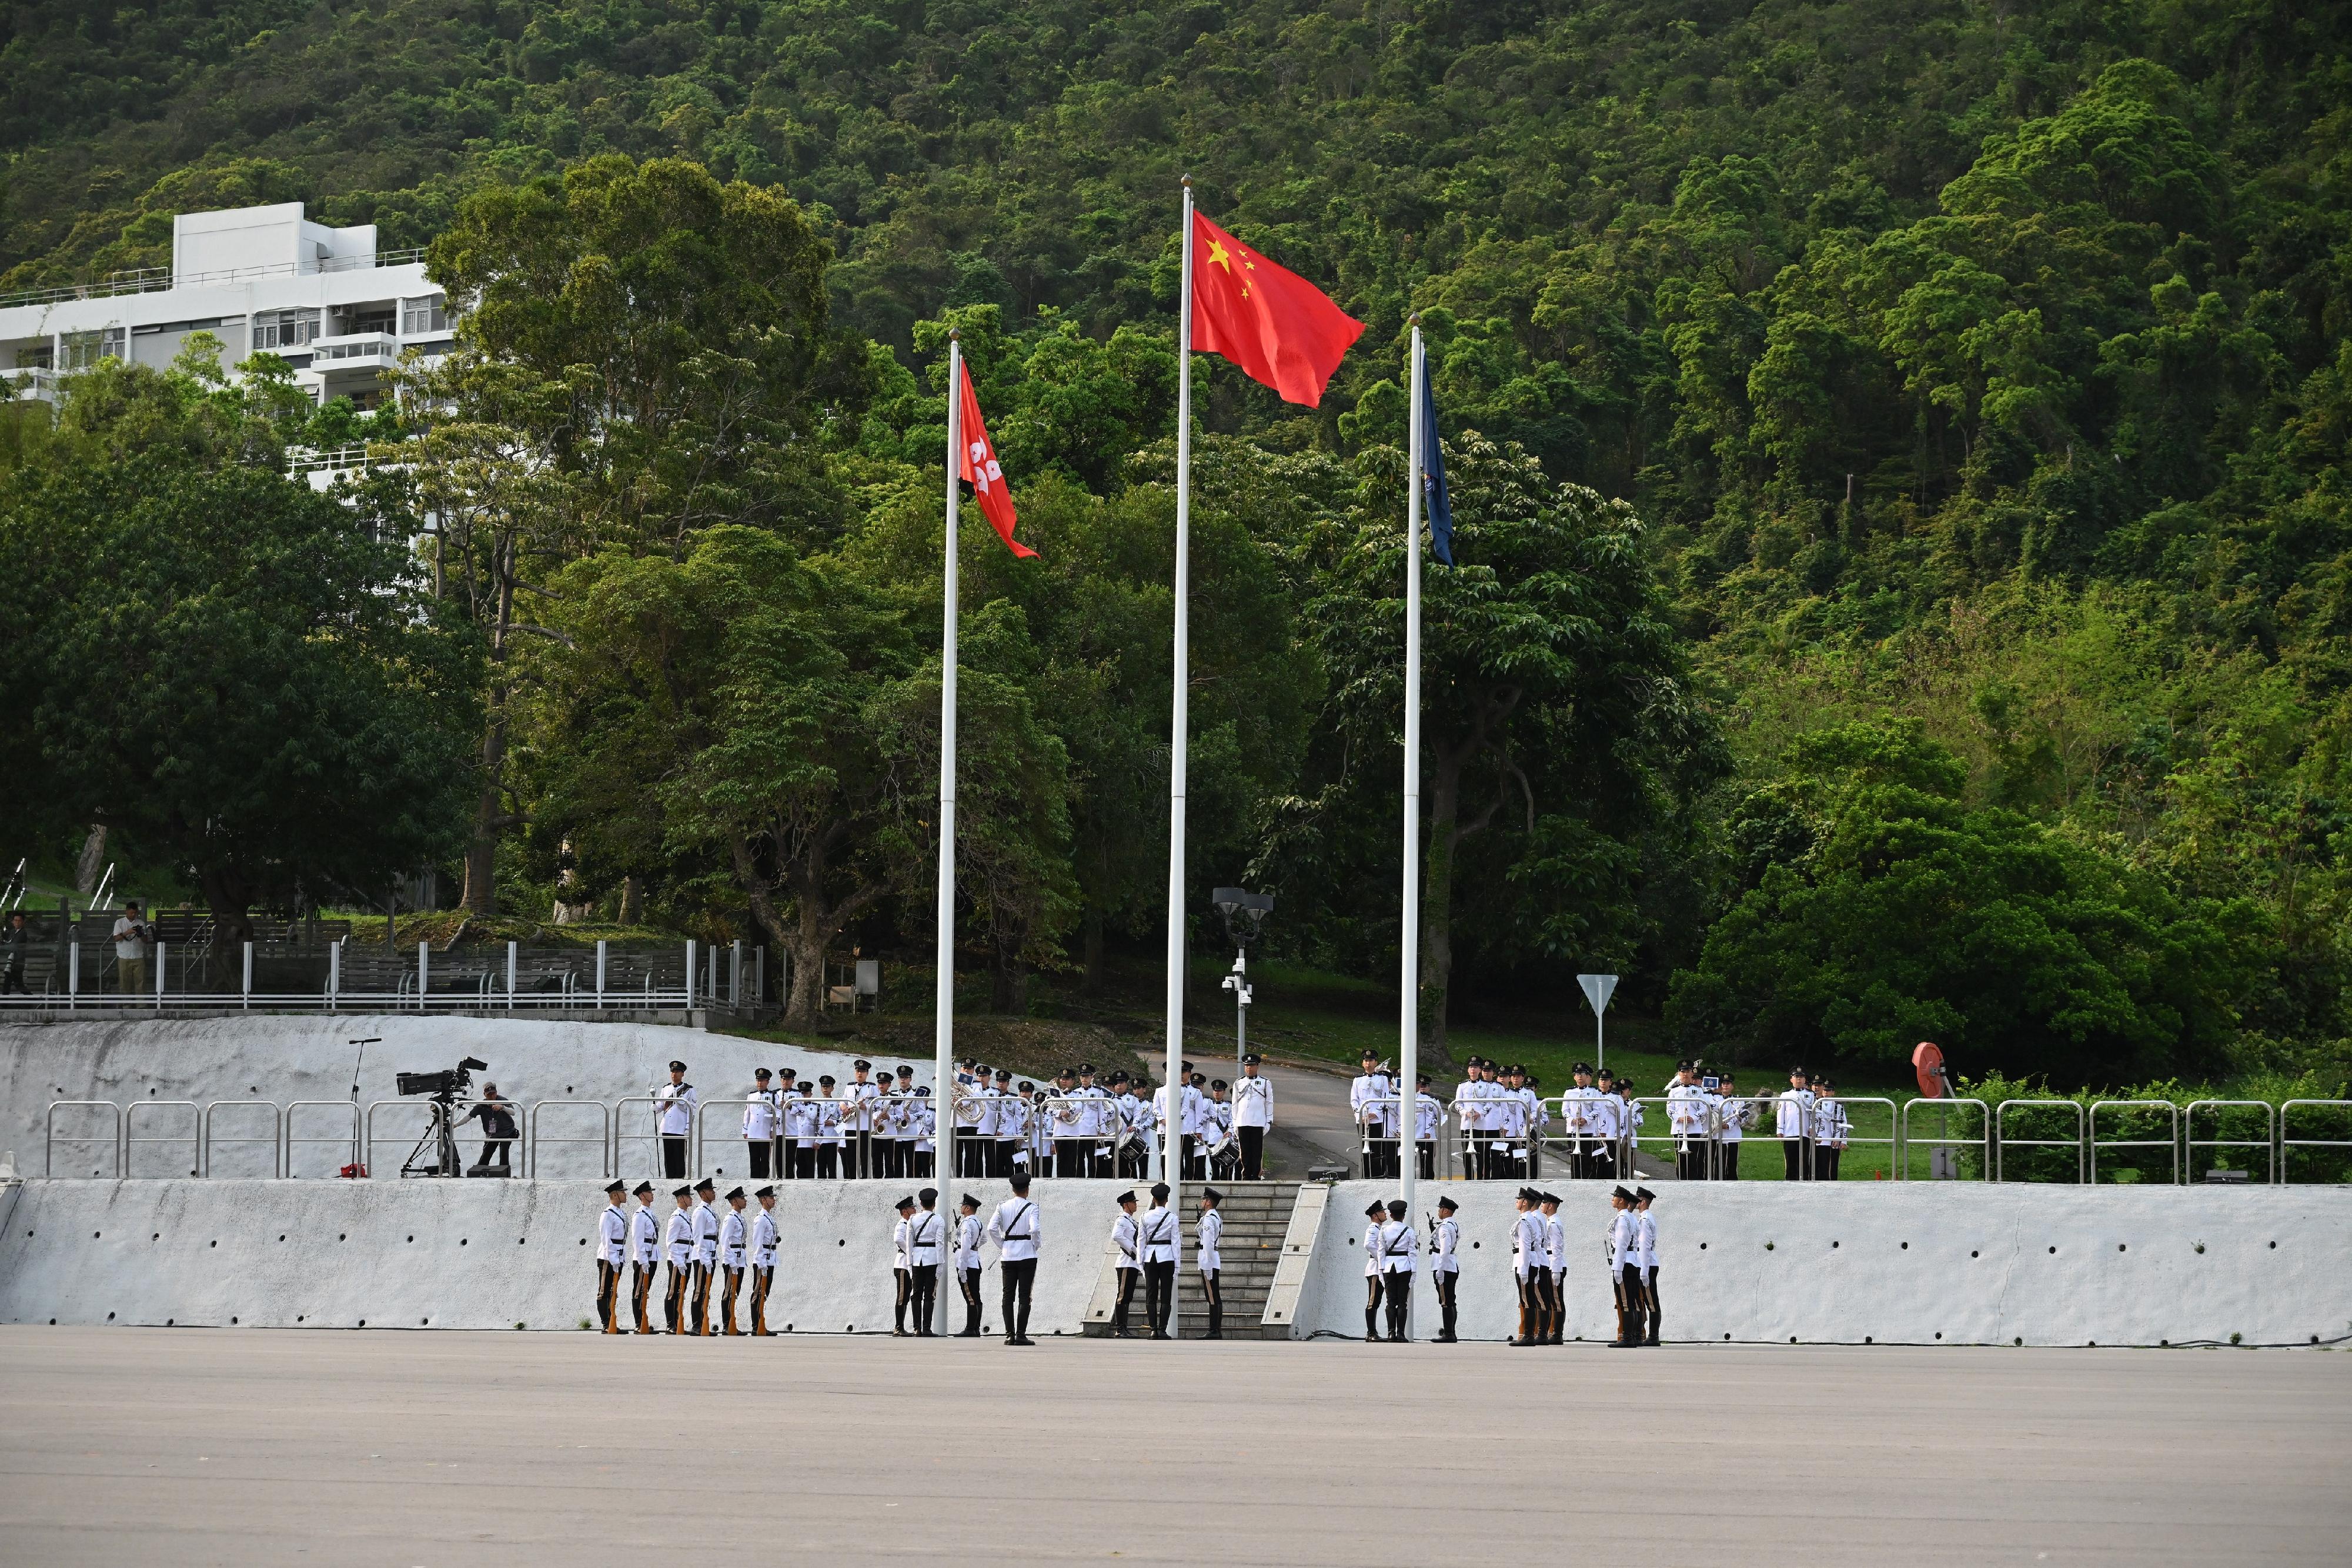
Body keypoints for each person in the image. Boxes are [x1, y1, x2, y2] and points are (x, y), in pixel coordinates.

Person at [985, 1174, 1041, 1345]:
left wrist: (1002, 1245)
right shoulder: (1032, 1207)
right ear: (1027, 1190)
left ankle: (1009, 1335)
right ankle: (1021, 1335)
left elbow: (991, 1228)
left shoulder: (1002, 1207)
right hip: (1027, 1255)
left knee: (1007, 1295)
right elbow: (1035, 1229)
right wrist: (1036, 1245)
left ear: (1013, 1189)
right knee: (1025, 1295)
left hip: (1008, 1256)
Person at [1138, 1181, 1180, 1339]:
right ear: (1167, 1199)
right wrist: (1178, 1265)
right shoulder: (1172, 1218)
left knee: (1151, 1293)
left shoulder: (1145, 1216)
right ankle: (1162, 1330)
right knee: (1166, 1293)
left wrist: (1140, 1262)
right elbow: (1176, 1242)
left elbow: (1141, 1241)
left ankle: (1153, 1329)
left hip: (1150, 1257)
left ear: (1154, 1199)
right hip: (1167, 1257)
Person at [1377, 1197, 1418, 1342]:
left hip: (1388, 1267)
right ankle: (1400, 1334)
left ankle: (1390, 1333)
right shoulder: (1409, 1231)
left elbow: (1381, 1251)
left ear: (1391, 1215)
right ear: (1404, 1215)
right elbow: (1412, 1252)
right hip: (1404, 1267)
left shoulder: (1384, 1231)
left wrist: (1381, 1270)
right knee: (1402, 1302)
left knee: (1390, 1301)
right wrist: (1414, 1271)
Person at [1608, 1186, 1643, 1348]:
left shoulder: (1622, 1219)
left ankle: (1627, 1338)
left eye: (1614, 1197)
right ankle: (1634, 1336)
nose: (1612, 1199)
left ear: (1621, 1200)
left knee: (1626, 1302)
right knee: (1632, 1301)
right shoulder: (1631, 1218)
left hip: (1625, 1262)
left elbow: (1621, 1245)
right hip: (1633, 1261)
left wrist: (1617, 1268)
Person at [1510, 1187, 1545, 1346]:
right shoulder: (1533, 1220)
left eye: (1518, 1199)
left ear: (1525, 1203)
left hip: (1524, 1262)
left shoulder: (1525, 1221)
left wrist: (1523, 1270)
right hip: (1532, 1261)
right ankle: (1529, 1335)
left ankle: (1528, 1336)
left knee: (1526, 1301)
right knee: (1529, 1299)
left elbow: (1524, 1246)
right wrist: (1536, 1266)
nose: (1516, 1202)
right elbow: (1537, 1245)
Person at [461, 1082, 519, 1175]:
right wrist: (455, 1125)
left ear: (496, 1093)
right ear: (485, 1095)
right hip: (492, 1134)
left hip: (508, 1132)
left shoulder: (502, 1100)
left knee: (504, 1151)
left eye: (493, 1094)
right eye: (489, 1095)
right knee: (487, 1152)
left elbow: (513, 1112)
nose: (492, 1097)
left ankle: (504, 1175)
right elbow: (469, 1117)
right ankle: (479, 1173)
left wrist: (503, 1107)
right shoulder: (481, 1105)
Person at [1666, 1061, 1711, 1182]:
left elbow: (1704, 1108)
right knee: (1680, 1159)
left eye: (1688, 1072)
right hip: (1679, 1128)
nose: (1685, 1074)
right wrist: (1678, 1118)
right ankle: (1681, 1180)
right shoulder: (1674, 1091)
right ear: (1679, 1074)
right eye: (1683, 1072)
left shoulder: (1698, 1090)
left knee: (1694, 1158)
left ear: (1692, 1073)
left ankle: (1693, 1181)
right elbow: (1669, 1109)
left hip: (1694, 1128)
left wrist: (1695, 1118)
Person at [1349, 1051, 1391, 1178]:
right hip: (1362, 1119)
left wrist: (1375, 1113)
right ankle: (1365, 1175)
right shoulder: (1358, 1080)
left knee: (1376, 1148)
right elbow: (1354, 1100)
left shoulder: (1383, 1079)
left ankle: (1377, 1174)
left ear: (1376, 1063)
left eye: (1371, 1061)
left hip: (1376, 1119)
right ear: (1363, 1064)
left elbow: (1386, 1098)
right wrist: (1360, 1114)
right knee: (1364, 1148)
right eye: (1366, 1061)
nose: (1368, 1063)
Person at [1230, 1055, 1272, 1179]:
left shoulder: (1265, 1083)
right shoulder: (1239, 1083)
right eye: (1247, 1066)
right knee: (1245, 1151)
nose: (1249, 1068)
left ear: (1257, 1066)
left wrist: (1269, 1120)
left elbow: (1269, 1102)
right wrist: (1235, 1122)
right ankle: (1246, 1174)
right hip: (1243, 1121)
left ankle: (1257, 1174)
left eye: (1252, 1065)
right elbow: (1235, 1104)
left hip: (1258, 1121)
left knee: (1257, 1150)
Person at [596, 1179, 629, 1334]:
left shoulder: (620, 1213)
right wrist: (614, 1259)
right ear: (615, 1195)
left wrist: (620, 1258)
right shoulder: (608, 1214)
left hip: (617, 1257)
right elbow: (606, 1239)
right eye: (622, 1192)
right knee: (604, 1290)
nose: (625, 1194)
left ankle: (612, 1322)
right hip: (608, 1257)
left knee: (612, 1290)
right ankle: (606, 1323)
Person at [662, 1185, 696, 1334]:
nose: (691, 1199)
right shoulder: (676, 1218)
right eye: (688, 1197)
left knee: (681, 1292)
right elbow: (670, 1242)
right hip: (678, 1261)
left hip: (686, 1260)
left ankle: (678, 1322)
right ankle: (671, 1324)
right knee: (673, 1292)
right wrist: (678, 1261)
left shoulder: (686, 1217)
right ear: (681, 1199)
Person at [629, 1181, 661, 1334]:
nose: (652, 1194)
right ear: (642, 1196)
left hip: (652, 1255)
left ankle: (644, 1322)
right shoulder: (639, 1216)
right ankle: (639, 1323)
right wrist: (643, 1260)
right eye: (649, 1192)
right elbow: (637, 1239)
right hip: (644, 1258)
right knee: (639, 1290)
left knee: (645, 1290)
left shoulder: (649, 1213)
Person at [1109, 1189, 1142, 1337]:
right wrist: (1133, 1249)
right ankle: (1120, 1328)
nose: (1135, 1205)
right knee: (1122, 1296)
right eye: (1133, 1202)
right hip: (1126, 1262)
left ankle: (1124, 1327)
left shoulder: (1132, 1221)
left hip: (1133, 1263)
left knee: (1128, 1296)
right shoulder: (1122, 1220)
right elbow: (1116, 1235)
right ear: (1126, 1205)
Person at [656, 1062, 696, 1180]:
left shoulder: (689, 1090)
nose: (674, 1074)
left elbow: (691, 1110)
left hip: (680, 1127)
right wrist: (656, 1107)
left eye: (677, 1072)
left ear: (682, 1074)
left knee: (679, 1155)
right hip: (667, 1127)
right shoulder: (666, 1088)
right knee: (668, 1155)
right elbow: (661, 1105)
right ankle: (669, 1178)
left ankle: (679, 1178)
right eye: (673, 1072)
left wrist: (688, 1127)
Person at [717, 1186, 749, 1335]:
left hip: (740, 1259)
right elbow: (725, 1241)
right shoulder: (730, 1218)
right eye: (742, 1198)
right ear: (735, 1201)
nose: (745, 1201)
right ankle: (727, 1325)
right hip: (733, 1260)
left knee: (735, 1292)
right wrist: (731, 1262)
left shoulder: (739, 1217)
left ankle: (732, 1324)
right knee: (729, 1292)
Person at [953, 1193, 986, 1337]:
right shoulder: (978, 1222)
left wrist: (962, 1267)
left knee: (970, 1298)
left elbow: (965, 1245)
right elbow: (984, 1238)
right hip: (975, 1261)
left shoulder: (967, 1223)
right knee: (976, 1296)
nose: (961, 1207)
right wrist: (976, 1246)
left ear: (967, 1208)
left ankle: (970, 1329)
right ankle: (976, 1328)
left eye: (962, 1205)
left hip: (967, 1264)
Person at [1429, 1196, 1461, 1343]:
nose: (1439, 1212)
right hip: (1451, 1266)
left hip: (1443, 1266)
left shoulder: (1444, 1227)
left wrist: (1440, 1270)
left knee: (1446, 1301)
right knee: (1451, 1300)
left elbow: (1445, 1249)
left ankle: (1449, 1333)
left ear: (1446, 1210)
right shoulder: (1453, 1225)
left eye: (1440, 1209)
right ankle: (1451, 1332)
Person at [691, 1177, 721, 1335]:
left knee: (706, 1290)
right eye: (710, 1190)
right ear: (703, 1193)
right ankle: (697, 1325)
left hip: (710, 1256)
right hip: (702, 1257)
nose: (713, 1192)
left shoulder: (710, 1211)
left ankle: (703, 1323)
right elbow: (698, 1237)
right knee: (699, 1290)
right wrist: (704, 1258)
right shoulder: (700, 1212)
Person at [1197, 1188, 1227, 1339]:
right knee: (1215, 1295)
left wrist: (1207, 1264)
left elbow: (1208, 1242)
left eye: (1203, 1199)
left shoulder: (1209, 1218)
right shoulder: (1217, 1217)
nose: (1202, 1201)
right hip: (1214, 1258)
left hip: (1209, 1259)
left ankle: (1214, 1330)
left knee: (1213, 1297)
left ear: (1208, 1202)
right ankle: (1216, 1329)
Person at [749, 1186, 780, 1336]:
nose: (774, 1200)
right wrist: (761, 1263)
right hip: (763, 1262)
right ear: (763, 1200)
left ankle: (761, 1324)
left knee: (765, 1293)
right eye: (771, 1198)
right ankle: (756, 1326)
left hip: (770, 1260)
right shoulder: (760, 1220)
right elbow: (758, 1243)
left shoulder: (769, 1218)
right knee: (758, 1293)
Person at [1562, 1064, 1600, 1179]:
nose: (1580, 1076)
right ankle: (1575, 1180)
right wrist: (1572, 1120)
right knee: (1574, 1159)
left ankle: (1587, 1180)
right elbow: (1565, 1111)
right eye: (1577, 1074)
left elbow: (1597, 1109)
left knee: (1588, 1158)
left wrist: (1586, 1119)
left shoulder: (1594, 1092)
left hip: (1588, 1130)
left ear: (1587, 1076)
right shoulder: (1569, 1092)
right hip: (1573, 1129)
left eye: (1582, 1074)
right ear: (1574, 1077)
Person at [1776, 1067, 1815, 1181]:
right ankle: (1790, 1181)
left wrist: (1812, 1127)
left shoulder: (1811, 1095)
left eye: (1801, 1077)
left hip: (1804, 1132)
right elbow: (1780, 1112)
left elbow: (1815, 1114)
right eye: (1796, 1077)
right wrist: (1780, 1130)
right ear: (1791, 1080)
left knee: (1804, 1160)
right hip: (1789, 1131)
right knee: (1790, 1159)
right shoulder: (1785, 1094)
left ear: (1804, 1080)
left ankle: (1805, 1181)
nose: (1799, 1080)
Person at [1634, 1186, 1661, 1346]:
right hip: (1647, 1263)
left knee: (1651, 1302)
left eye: (1638, 1199)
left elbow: (1644, 1247)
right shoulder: (1647, 1218)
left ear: (1643, 1201)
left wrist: (1643, 1271)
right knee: (1644, 1300)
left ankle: (1653, 1337)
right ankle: (1641, 1334)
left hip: (1648, 1264)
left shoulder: (1644, 1221)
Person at [1359, 1199, 1388, 1342]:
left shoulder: (1380, 1229)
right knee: (1373, 1301)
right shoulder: (1373, 1229)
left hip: (1379, 1269)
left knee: (1376, 1301)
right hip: (1375, 1269)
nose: (1385, 1213)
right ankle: (1371, 1333)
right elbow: (1368, 1244)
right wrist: (1381, 1259)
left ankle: (1372, 1333)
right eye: (1382, 1211)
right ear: (1375, 1215)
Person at [111, 901, 152, 998]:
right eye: (131, 913)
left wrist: (141, 934)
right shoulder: (120, 922)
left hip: (138, 955)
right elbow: (116, 938)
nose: (133, 915)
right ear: (127, 911)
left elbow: (146, 940)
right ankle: (126, 1004)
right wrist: (127, 933)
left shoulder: (141, 923)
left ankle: (141, 1004)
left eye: (135, 913)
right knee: (125, 982)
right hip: (124, 956)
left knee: (141, 982)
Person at [846, 1060, 880, 1178]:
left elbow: (878, 1105)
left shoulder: (872, 1087)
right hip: (850, 1125)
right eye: (858, 1071)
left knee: (865, 1156)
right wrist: (843, 1106)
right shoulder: (849, 1086)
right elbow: (843, 1100)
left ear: (867, 1073)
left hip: (865, 1126)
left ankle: (865, 1178)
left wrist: (865, 1107)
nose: (860, 1073)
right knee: (850, 1155)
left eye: (862, 1071)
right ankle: (851, 1178)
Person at [1541, 1192, 1567, 1346]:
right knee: (1552, 1300)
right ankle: (1553, 1332)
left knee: (1556, 1300)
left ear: (1550, 1206)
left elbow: (1557, 1248)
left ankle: (1557, 1334)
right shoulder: (1551, 1222)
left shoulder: (1554, 1224)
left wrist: (1556, 1270)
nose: (1542, 1206)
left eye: (1544, 1204)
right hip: (1550, 1262)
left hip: (1555, 1264)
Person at [743, 1068, 779, 1179]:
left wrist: (774, 1129)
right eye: (758, 1080)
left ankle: (764, 1178)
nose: (760, 1083)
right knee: (754, 1158)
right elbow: (747, 1113)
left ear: (767, 1082)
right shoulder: (751, 1096)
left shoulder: (773, 1096)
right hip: (753, 1131)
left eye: (762, 1081)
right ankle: (754, 1178)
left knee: (764, 1158)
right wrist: (745, 1130)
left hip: (765, 1132)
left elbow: (777, 1114)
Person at [1713, 1070, 1749, 1180]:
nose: (1725, 1086)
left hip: (1733, 1136)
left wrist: (1729, 1125)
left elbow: (1741, 1115)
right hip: (1718, 1135)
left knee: (1732, 1164)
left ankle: (1733, 1184)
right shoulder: (1715, 1099)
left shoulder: (1738, 1100)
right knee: (1718, 1163)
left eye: (1728, 1084)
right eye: (1723, 1084)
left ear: (1732, 1086)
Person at [1812, 1075, 1849, 1181]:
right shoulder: (1817, 1104)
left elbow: (1843, 1123)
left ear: (1833, 1092)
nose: (1826, 1092)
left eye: (1829, 1090)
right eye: (1824, 1090)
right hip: (1819, 1139)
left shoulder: (1838, 1106)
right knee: (1818, 1165)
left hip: (1833, 1139)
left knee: (1832, 1167)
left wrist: (1842, 1141)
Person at [890, 1195, 917, 1336]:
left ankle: (901, 1327)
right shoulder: (902, 1224)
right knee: (901, 1296)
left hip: (908, 1265)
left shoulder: (910, 1224)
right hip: (902, 1265)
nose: (915, 1210)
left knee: (906, 1296)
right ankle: (898, 1327)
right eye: (912, 1208)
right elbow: (898, 1239)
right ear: (905, 1211)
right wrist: (911, 1252)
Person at [1411, 1074, 1444, 1179]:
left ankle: (1429, 1179)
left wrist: (1430, 1127)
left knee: (1427, 1161)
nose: (1422, 1088)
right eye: (1421, 1085)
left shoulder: (1431, 1099)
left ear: (1429, 1087)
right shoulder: (1411, 1096)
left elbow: (1439, 1116)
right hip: (1413, 1132)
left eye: (1425, 1086)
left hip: (1426, 1134)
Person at [2, 909, 31, 995]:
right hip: (13, 962)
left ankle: (32, 1000)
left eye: (19, 921)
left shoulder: (23, 933)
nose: (17, 922)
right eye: (15, 920)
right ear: (13, 922)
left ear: (23, 922)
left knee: (16, 984)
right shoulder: (13, 932)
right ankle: (32, 1000)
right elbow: (8, 942)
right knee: (14, 984)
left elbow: (13, 945)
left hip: (17, 963)